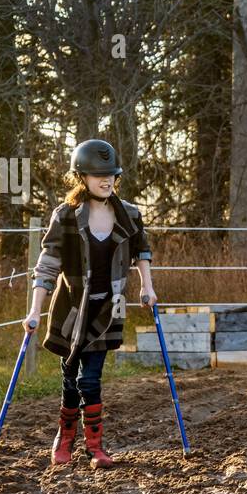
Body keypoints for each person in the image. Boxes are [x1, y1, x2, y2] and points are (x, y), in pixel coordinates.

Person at [26, 139, 155, 469]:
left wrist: (147, 287)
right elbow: (47, 264)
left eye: (110, 174)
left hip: (106, 309)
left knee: (90, 380)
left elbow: (142, 250)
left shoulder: (129, 215)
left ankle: (95, 447)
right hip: (70, 310)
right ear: (81, 177)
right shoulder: (66, 216)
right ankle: (64, 438)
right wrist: (34, 311)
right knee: (70, 380)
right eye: (98, 175)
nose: (106, 180)